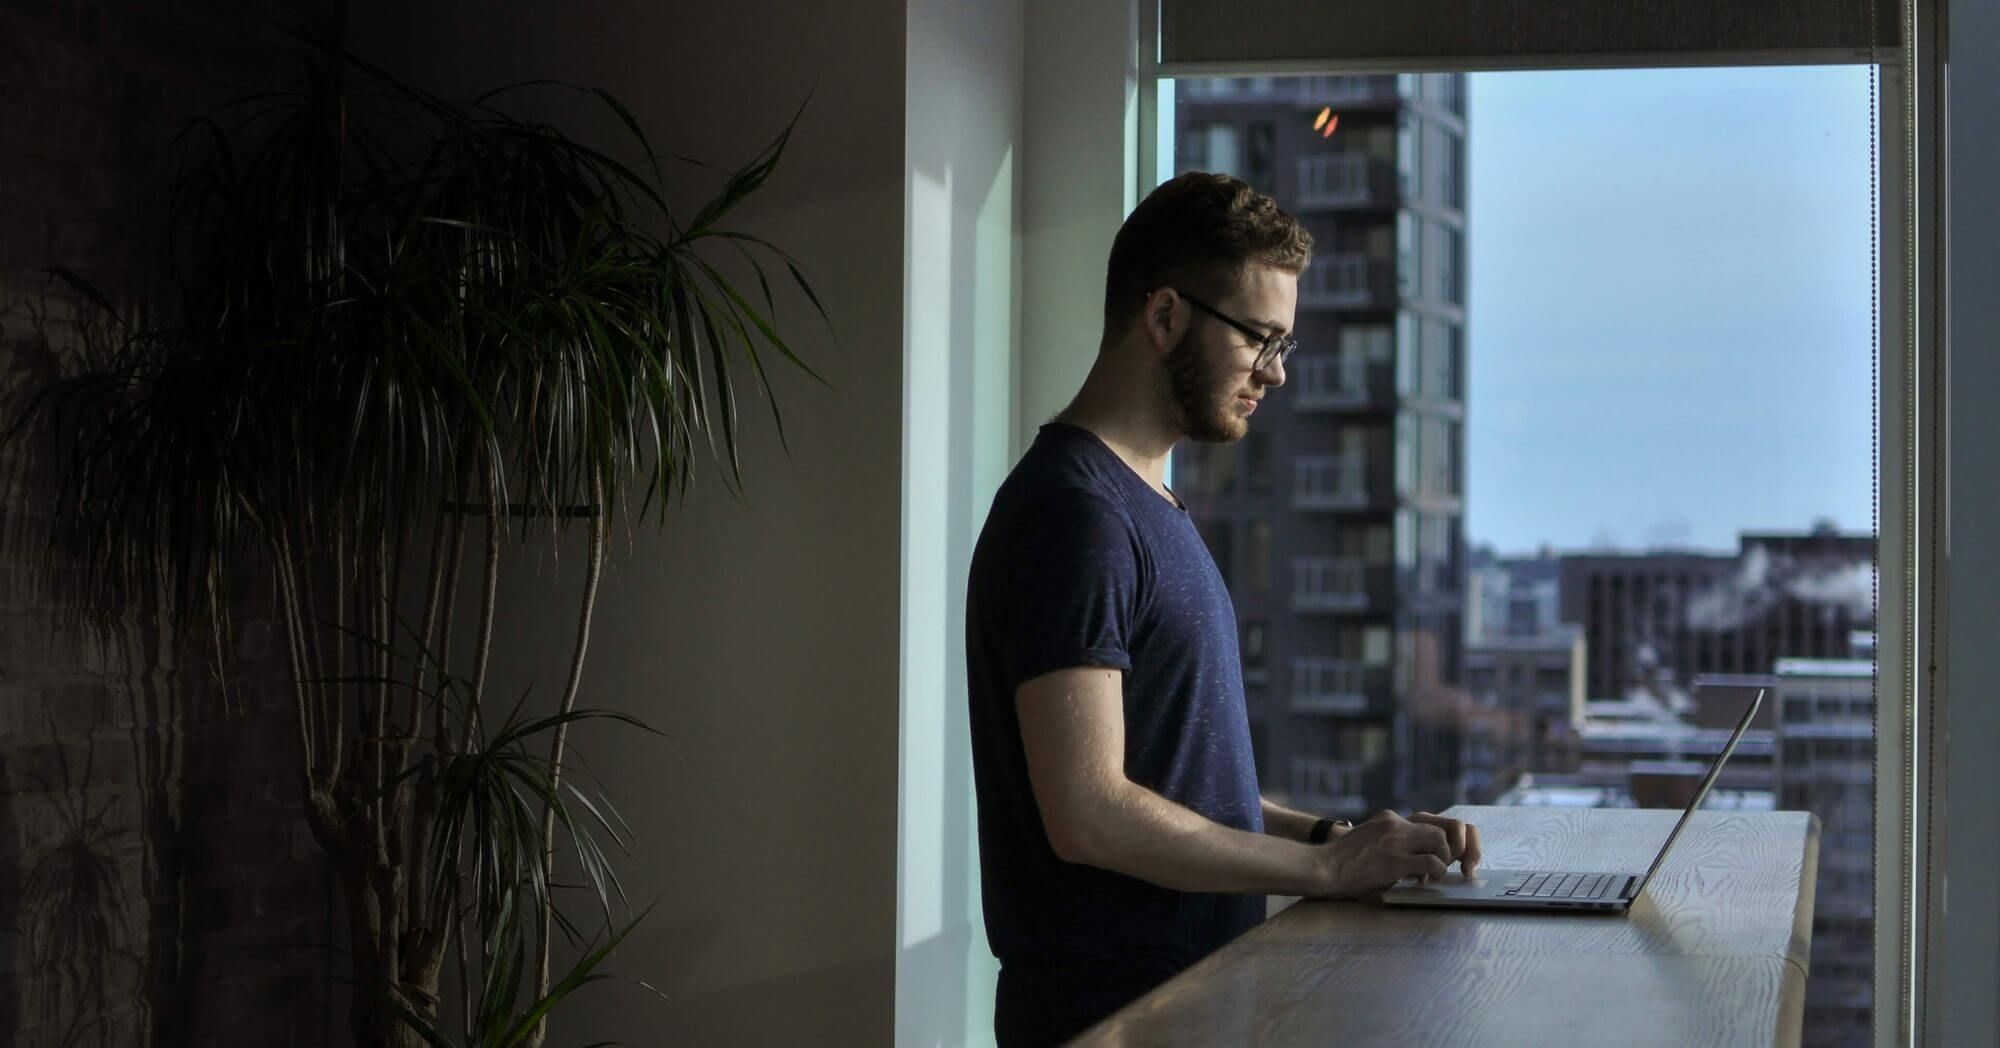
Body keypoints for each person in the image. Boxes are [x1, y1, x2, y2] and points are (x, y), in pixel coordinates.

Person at [964, 172, 1483, 1047]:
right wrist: (1322, 867)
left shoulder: (1146, 506)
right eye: (1260, 339)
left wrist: (1340, 837)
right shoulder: (1075, 514)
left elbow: (1177, 783)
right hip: (1109, 1017)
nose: (1275, 374)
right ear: (1164, 316)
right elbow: (1089, 811)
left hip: (1190, 1003)